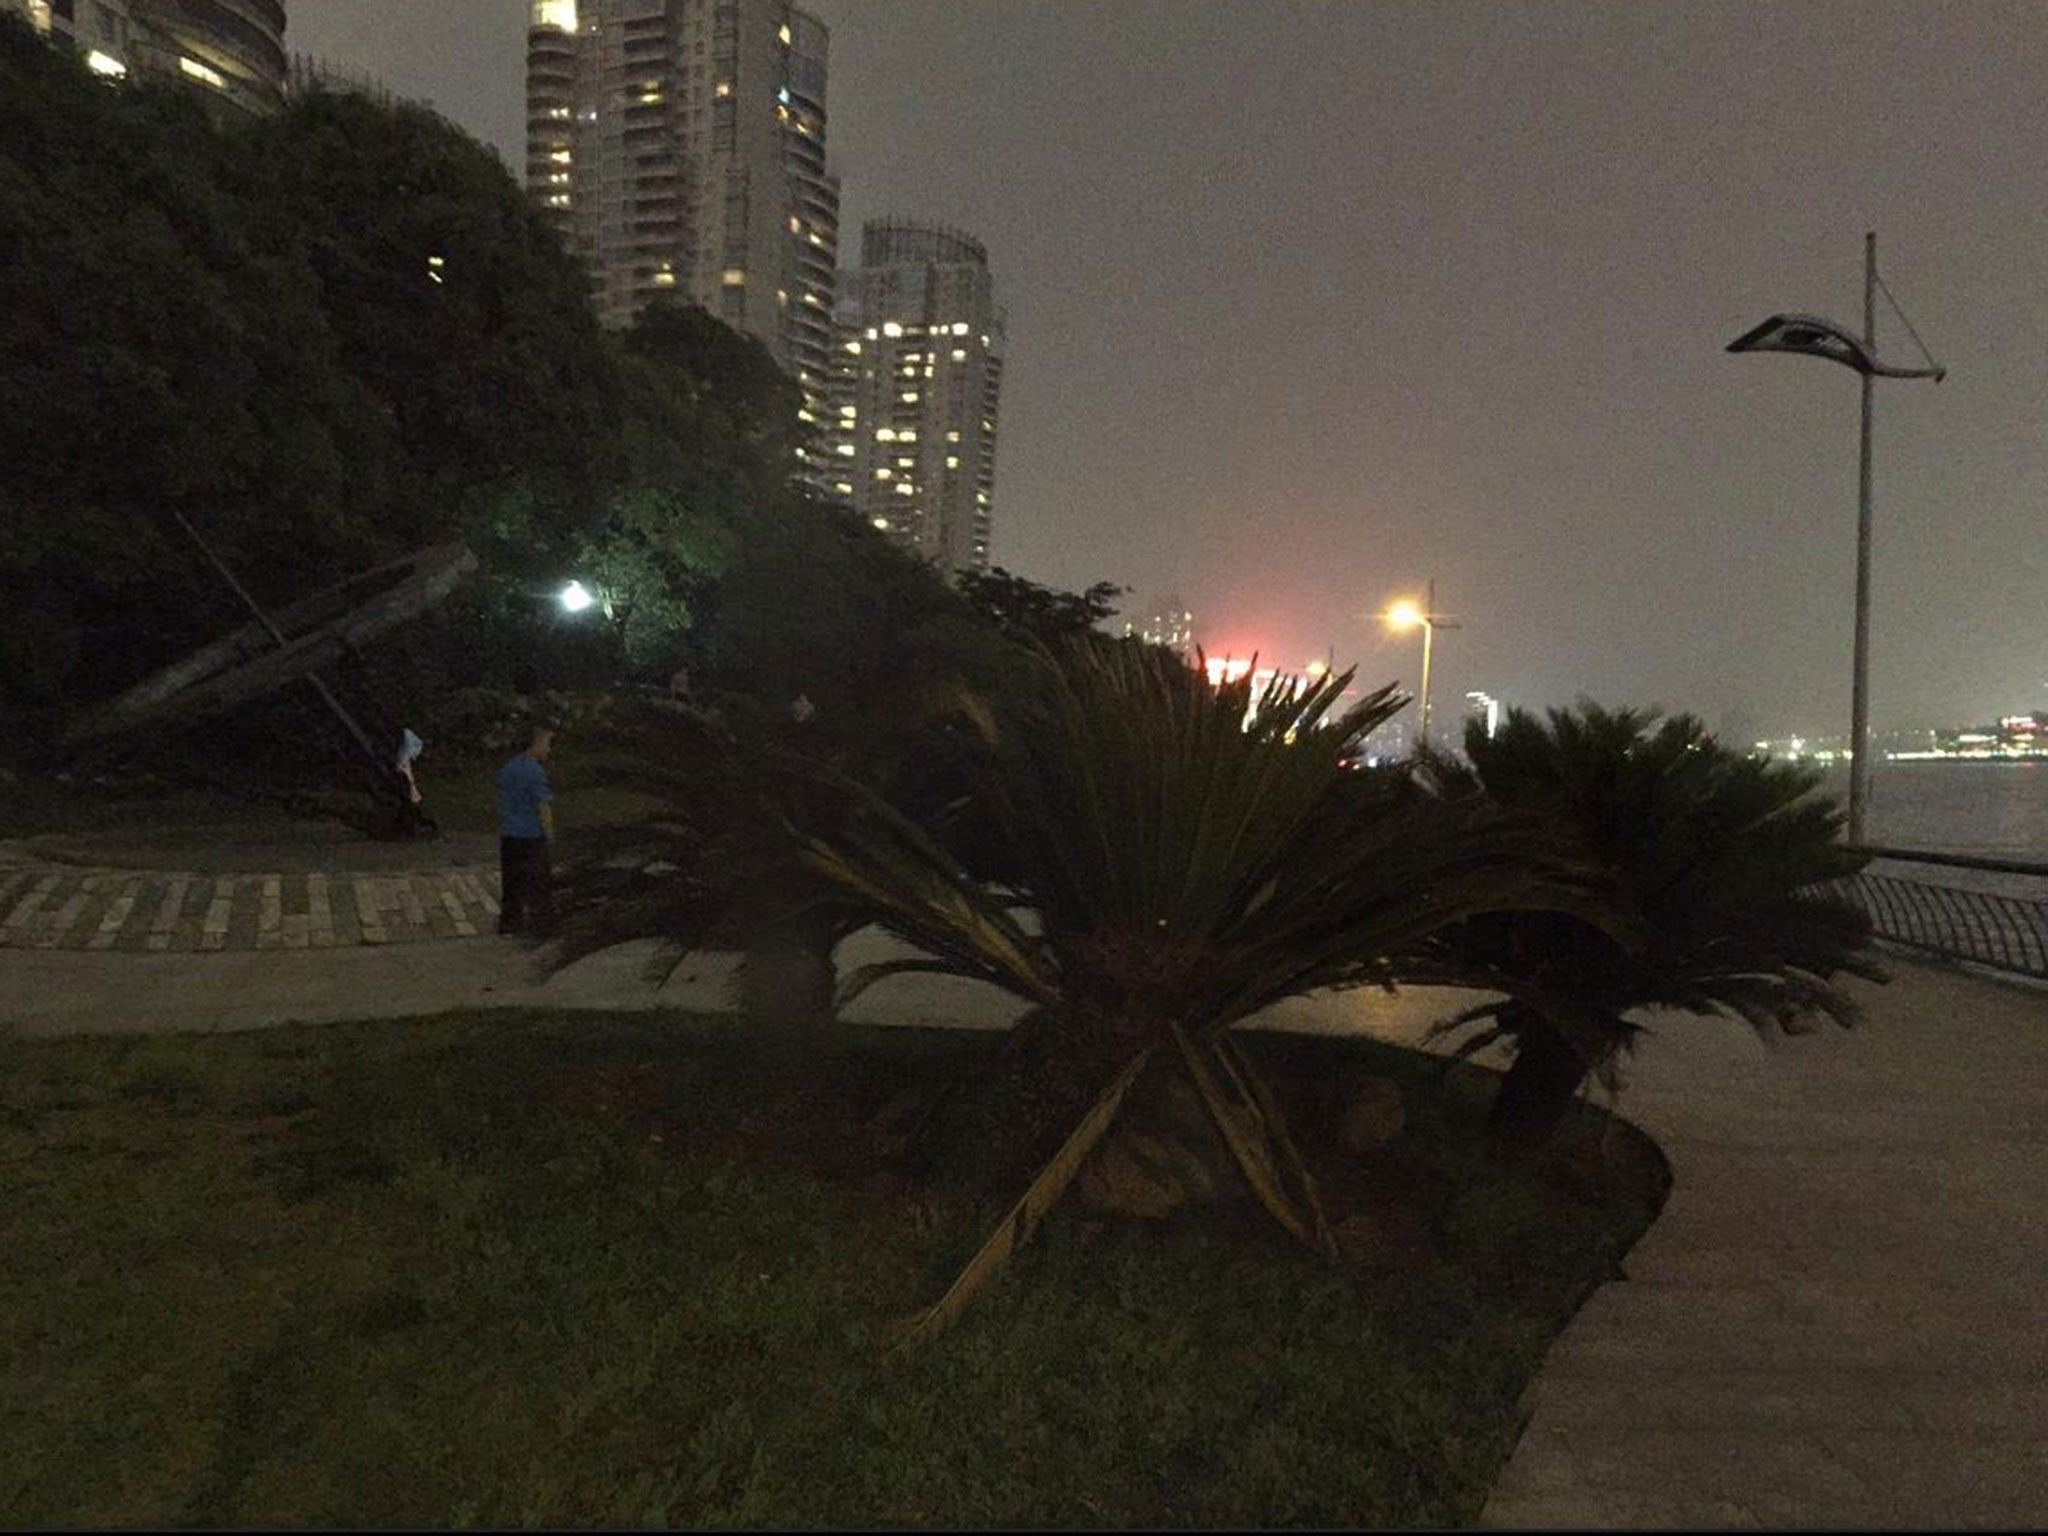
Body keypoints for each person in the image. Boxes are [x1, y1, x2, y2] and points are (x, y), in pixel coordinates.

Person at [497, 723, 556, 936]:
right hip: (531, 835)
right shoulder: (536, 772)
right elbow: (543, 806)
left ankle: (510, 924)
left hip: (510, 834)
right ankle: (540, 924)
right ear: (537, 744)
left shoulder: (508, 768)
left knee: (512, 881)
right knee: (538, 881)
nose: (549, 750)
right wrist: (549, 834)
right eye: (547, 744)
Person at [394, 727, 425, 806]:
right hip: (406, 763)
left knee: (409, 746)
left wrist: (404, 767)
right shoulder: (414, 784)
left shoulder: (406, 787)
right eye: (417, 794)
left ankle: (404, 731)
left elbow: (403, 773)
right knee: (417, 746)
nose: (416, 792)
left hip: (401, 765)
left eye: (415, 795)